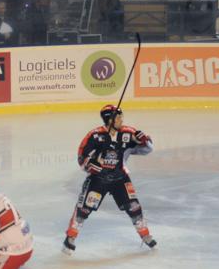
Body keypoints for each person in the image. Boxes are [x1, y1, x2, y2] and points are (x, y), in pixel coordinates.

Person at [63, 105, 156, 254]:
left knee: (134, 207)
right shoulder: (94, 136)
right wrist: (90, 165)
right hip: (98, 179)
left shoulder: (128, 133)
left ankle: (145, 235)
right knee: (84, 209)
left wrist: (145, 141)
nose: (121, 120)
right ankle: (70, 238)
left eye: (121, 117)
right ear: (109, 120)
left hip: (120, 178)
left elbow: (147, 150)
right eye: (118, 117)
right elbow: (82, 157)